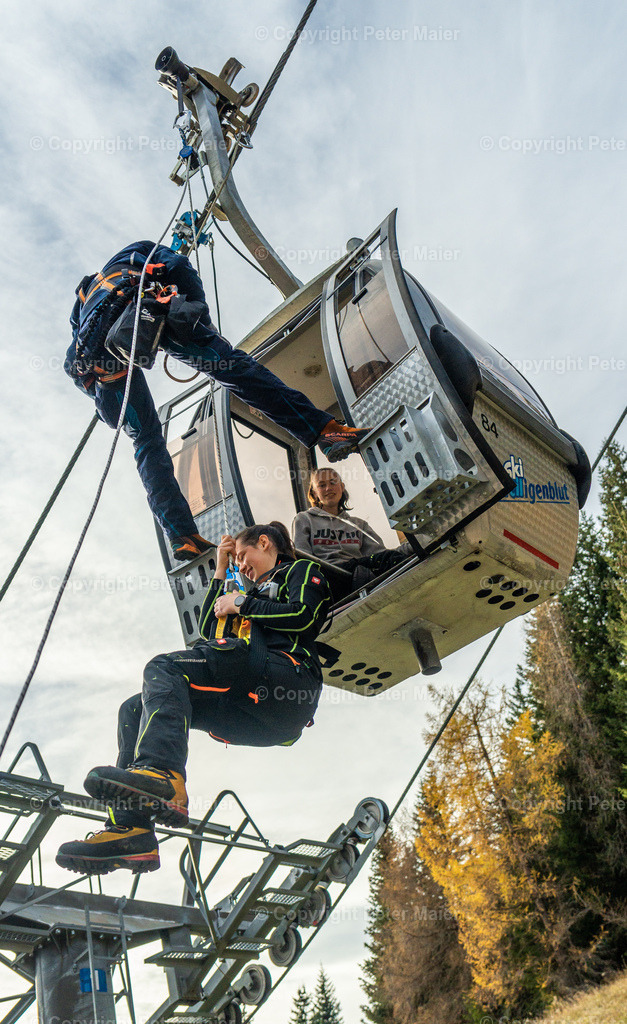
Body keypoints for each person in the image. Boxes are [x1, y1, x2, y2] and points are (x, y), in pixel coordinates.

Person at [56, 522, 331, 875]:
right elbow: (208, 630)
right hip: (247, 709)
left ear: (264, 543)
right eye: (237, 561)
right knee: (134, 709)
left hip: (286, 681)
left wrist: (242, 602)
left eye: (243, 556)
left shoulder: (298, 572)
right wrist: (221, 570)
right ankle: (132, 831)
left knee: (165, 668)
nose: (242, 566)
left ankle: (163, 774)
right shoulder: (247, 596)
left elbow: (304, 616)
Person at [65, 241, 367, 561]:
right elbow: (179, 265)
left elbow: (77, 360)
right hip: (144, 310)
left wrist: (101, 396)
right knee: (235, 370)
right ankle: (325, 432)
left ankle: (181, 535)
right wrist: (198, 315)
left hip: (99, 362)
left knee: (145, 440)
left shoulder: (82, 303)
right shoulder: (135, 253)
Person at [293, 468, 411, 590]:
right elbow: (302, 558)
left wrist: (411, 547)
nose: (328, 488)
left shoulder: (359, 525)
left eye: (333, 483)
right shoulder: (305, 519)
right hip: (327, 574)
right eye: (322, 485)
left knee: (392, 560)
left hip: (356, 572)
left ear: (342, 487)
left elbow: (381, 554)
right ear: (314, 493)